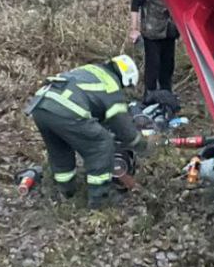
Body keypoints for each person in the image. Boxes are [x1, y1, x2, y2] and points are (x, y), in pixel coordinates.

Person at [25, 55, 143, 208]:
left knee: (60, 148)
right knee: (101, 143)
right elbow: (122, 127)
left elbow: (89, 100)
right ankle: (99, 200)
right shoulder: (111, 85)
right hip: (66, 109)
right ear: (127, 79)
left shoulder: (92, 70)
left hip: (41, 106)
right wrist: (140, 144)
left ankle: (66, 192)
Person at [128, 0, 178, 98]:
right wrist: (134, 28)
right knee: (153, 67)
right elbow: (135, 4)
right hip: (152, 31)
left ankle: (166, 96)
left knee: (168, 66)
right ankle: (149, 97)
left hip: (169, 30)